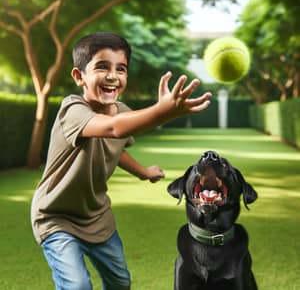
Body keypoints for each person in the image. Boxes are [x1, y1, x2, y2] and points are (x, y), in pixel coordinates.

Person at [31, 31, 212, 290]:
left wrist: (143, 172)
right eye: (102, 67)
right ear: (79, 76)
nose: (113, 76)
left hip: (96, 217)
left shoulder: (122, 112)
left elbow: (115, 149)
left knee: (120, 282)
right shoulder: (72, 111)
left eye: (121, 69)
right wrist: (164, 111)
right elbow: (113, 129)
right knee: (78, 286)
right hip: (56, 217)